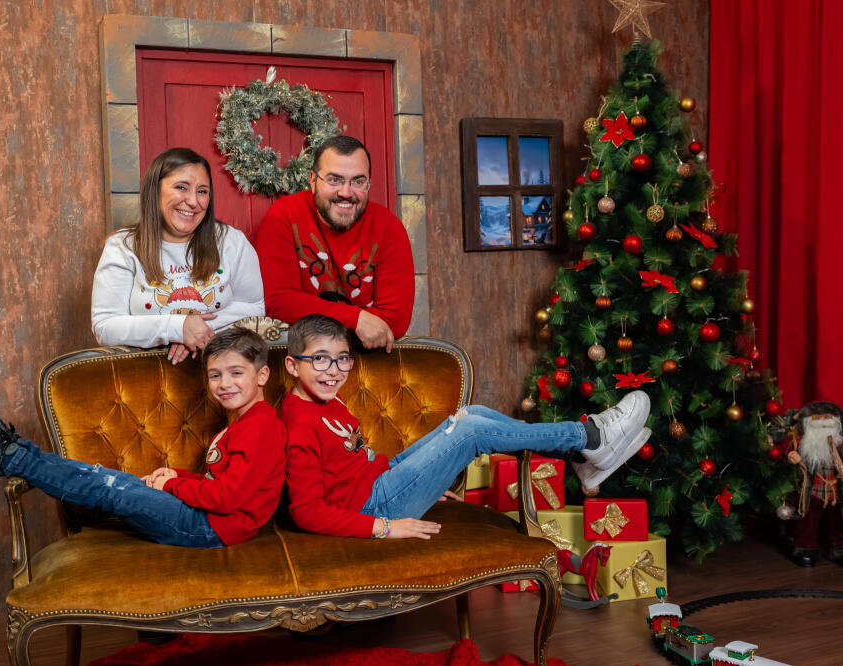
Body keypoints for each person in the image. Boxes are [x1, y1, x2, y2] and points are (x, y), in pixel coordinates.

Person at [281, 314, 651, 539]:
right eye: (320, 360)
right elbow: (306, 511)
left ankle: (581, 455)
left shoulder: (326, 398)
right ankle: (587, 438)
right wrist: (386, 526)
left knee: (468, 414)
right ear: (292, 366)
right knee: (471, 432)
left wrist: (427, 480)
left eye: (342, 359)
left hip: (382, 482)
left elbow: (351, 467)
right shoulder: (300, 424)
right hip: (375, 508)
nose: (334, 371)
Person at [0, 327, 286, 547]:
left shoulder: (261, 428)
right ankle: (10, 454)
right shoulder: (246, 421)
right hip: (208, 519)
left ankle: (10, 457)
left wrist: (171, 486)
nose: (224, 384)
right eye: (215, 375)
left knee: (109, 487)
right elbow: (223, 481)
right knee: (106, 479)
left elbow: (227, 498)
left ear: (262, 375)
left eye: (236, 373)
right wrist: (179, 476)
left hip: (209, 528)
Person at [92, 147, 264, 364]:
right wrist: (177, 328)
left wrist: (198, 330)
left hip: (220, 370)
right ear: (155, 190)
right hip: (145, 373)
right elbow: (105, 326)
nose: (193, 201)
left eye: (202, 191)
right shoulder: (122, 246)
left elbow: (255, 307)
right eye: (181, 187)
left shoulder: (231, 241)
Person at [253, 136, 414, 353]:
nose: (346, 192)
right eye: (334, 180)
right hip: (299, 358)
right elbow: (278, 302)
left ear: (369, 183)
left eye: (358, 181)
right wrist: (356, 319)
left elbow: (395, 320)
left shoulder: (389, 228)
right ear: (313, 180)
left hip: (370, 361)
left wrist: (306, 311)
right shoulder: (284, 216)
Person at [783, 401, 843, 567]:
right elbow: (787, 451)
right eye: (817, 418)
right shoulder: (801, 442)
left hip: (836, 489)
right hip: (810, 489)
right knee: (807, 520)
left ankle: (839, 548)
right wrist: (790, 456)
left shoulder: (839, 443)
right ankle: (805, 548)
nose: (822, 421)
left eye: (827, 417)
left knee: (838, 519)